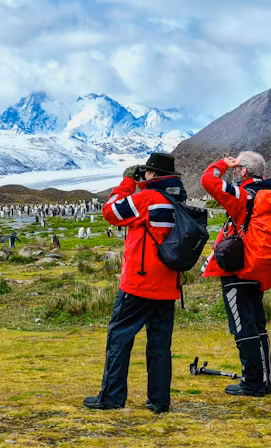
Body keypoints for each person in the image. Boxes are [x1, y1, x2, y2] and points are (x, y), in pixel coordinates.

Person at [84, 153, 186, 414]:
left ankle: (112, 397)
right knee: (160, 344)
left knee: (119, 338)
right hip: (167, 284)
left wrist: (128, 182)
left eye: (147, 172)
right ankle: (159, 400)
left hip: (139, 284)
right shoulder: (178, 200)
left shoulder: (148, 198)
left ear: (153, 175)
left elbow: (112, 212)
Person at [200, 152, 271, 397]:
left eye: (237, 167)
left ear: (244, 170)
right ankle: (263, 380)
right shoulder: (266, 193)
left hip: (238, 267)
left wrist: (223, 164)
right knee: (257, 324)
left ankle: (252, 382)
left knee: (242, 325)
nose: (235, 170)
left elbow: (208, 181)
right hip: (259, 266)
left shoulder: (244, 194)